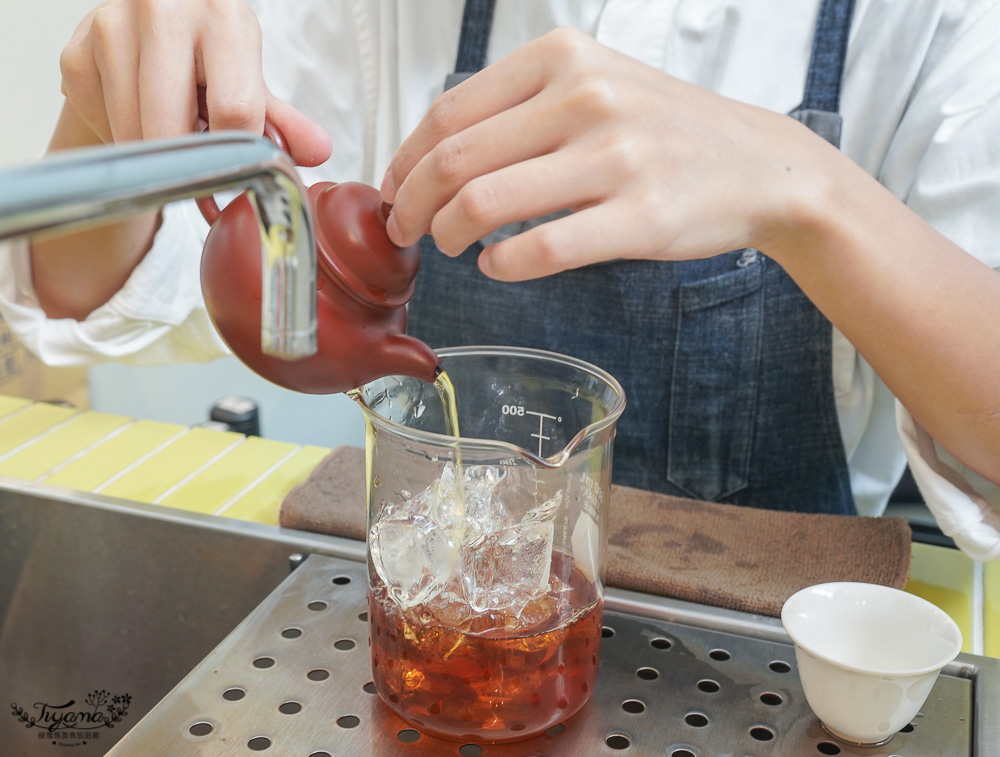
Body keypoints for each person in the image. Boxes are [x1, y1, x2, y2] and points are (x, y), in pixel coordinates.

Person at [0, 0, 998, 559]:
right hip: (453, 586)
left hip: (773, 648)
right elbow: (97, 293)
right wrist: (102, 113)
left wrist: (811, 196)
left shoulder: (931, 24)